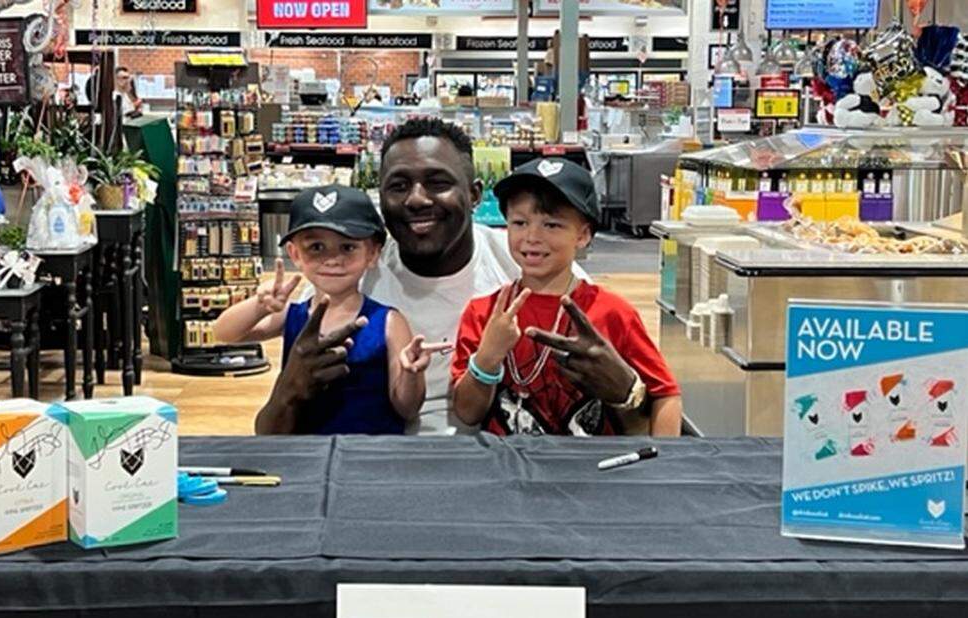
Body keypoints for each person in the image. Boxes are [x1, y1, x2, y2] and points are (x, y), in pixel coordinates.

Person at [253, 117, 590, 435]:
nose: (416, 199)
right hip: (382, 461)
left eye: (438, 183)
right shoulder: (347, 275)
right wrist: (289, 389)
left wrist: (627, 391)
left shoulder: (527, 262)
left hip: (499, 460)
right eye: (398, 186)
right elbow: (271, 431)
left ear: (474, 194)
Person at [451, 158, 682, 436]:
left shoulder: (611, 312)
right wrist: (487, 357)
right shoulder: (484, 313)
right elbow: (467, 412)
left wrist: (665, 464)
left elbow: (666, 394)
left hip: (595, 470)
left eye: (552, 225)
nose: (532, 236)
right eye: (520, 222)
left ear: (583, 235)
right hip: (508, 470)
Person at [214, 185, 442, 435]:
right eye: (316, 247)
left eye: (347, 247)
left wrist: (411, 373)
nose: (332, 259)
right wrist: (258, 305)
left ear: (373, 253)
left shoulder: (388, 321)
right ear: (295, 253)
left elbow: (407, 408)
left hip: (371, 454)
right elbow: (225, 333)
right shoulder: (291, 314)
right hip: (304, 450)